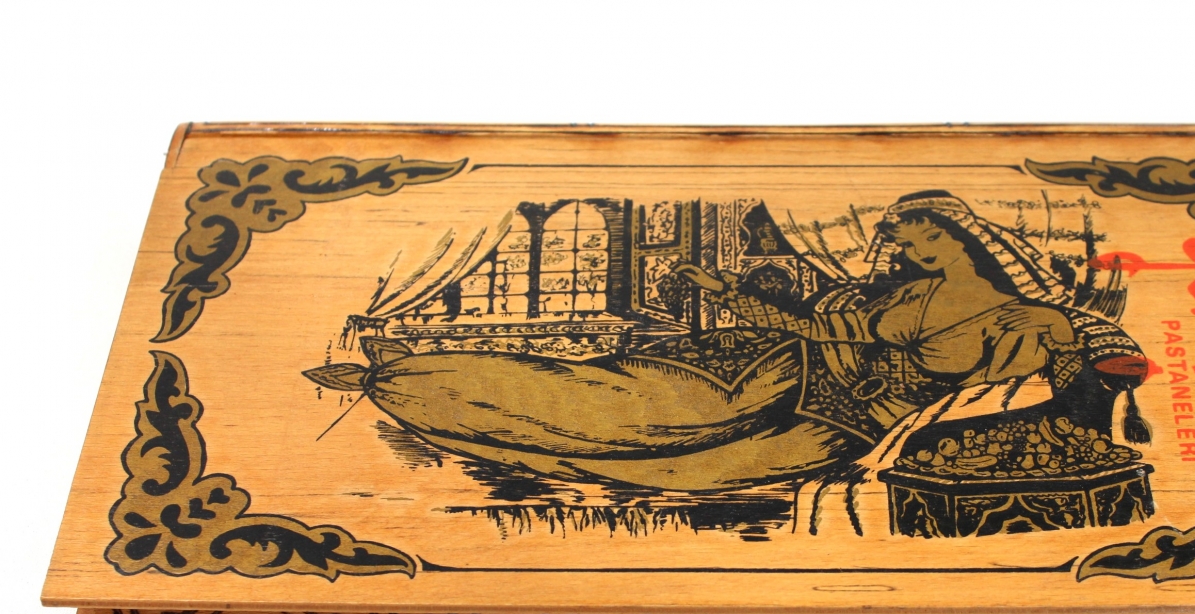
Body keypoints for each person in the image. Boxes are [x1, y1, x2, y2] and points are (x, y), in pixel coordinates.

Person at [305, 191, 1148, 492]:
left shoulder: (1036, 318)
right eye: (899, 240)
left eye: (913, 237)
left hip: (847, 421)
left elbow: (1095, 362)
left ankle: (447, 407)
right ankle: (416, 378)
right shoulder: (915, 294)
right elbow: (822, 329)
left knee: (680, 471)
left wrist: (1104, 373)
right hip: (777, 370)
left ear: (953, 235)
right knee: (623, 410)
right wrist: (729, 299)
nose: (899, 249)